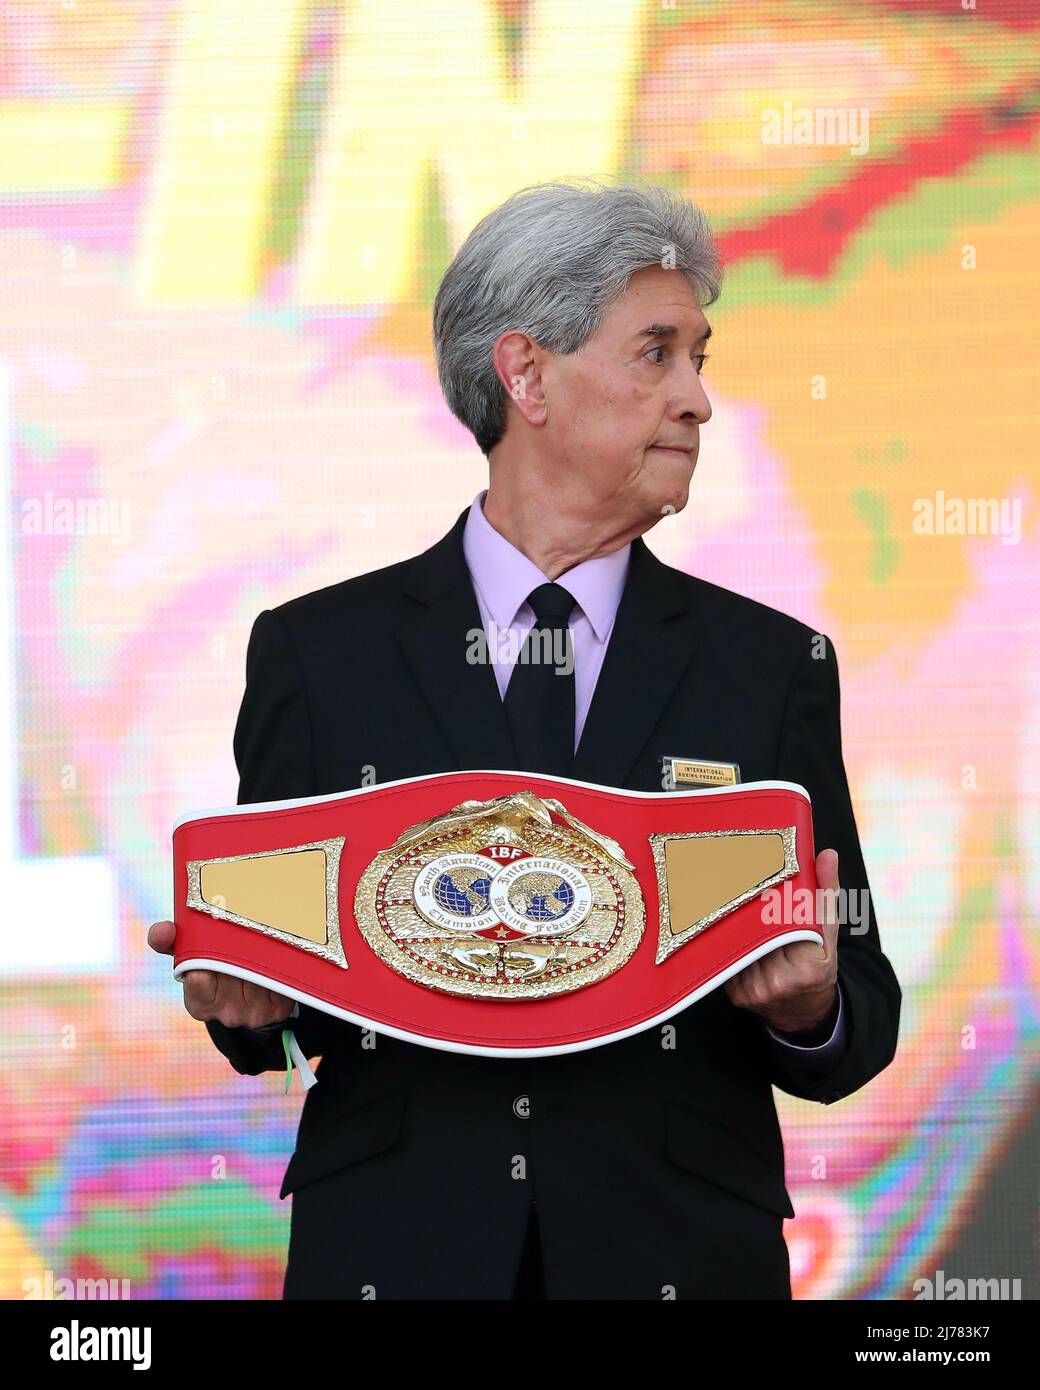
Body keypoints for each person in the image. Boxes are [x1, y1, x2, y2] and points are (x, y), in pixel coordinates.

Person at [149, 178, 900, 1300]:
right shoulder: (317, 653)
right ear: (525, 374)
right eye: (656, 354)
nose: (697, 399)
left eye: (701, 355)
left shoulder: (770, 666)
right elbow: (277, 1017)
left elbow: (858, 1012)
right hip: (399, 1257)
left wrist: (809, 1006)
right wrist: (251, 1012)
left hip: (679, 1259)